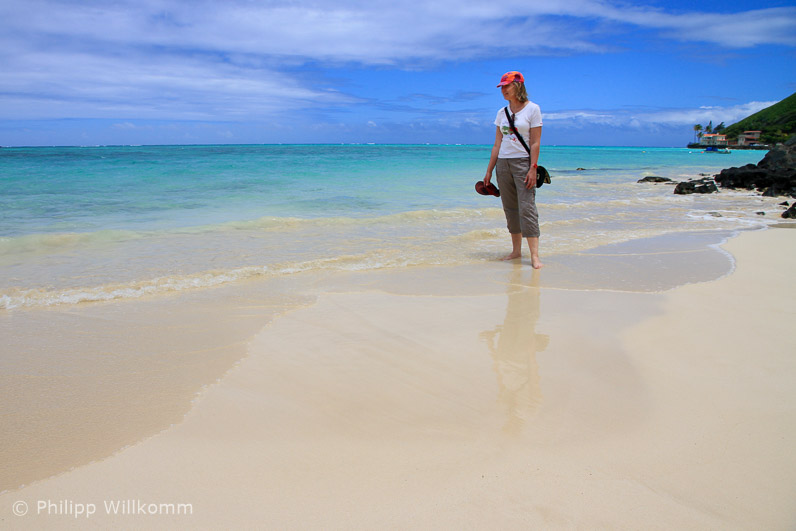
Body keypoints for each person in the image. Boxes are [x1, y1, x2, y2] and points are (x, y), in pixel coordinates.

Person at [483, 71, 543, 269]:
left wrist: (532, 168)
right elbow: (496, 144)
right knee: (510, 209)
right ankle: (516, 251)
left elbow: (535, 143)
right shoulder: (502, 112)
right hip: (503, 164)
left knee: (527, 207)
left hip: (522, 163)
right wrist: (489, 171)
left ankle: (534, 256)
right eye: (502, 87)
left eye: (507, 86)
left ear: (518, 86)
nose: (503, 90)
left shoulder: (533, 109)